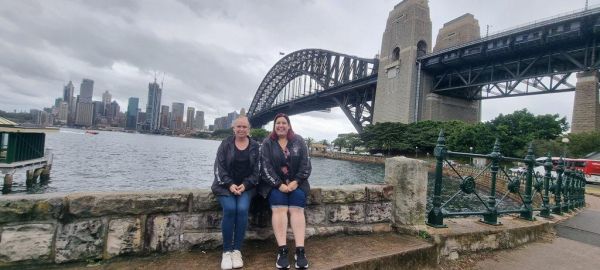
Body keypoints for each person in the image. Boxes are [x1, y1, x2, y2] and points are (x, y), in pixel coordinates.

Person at [259, 113, 311, 269]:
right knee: (279, 209)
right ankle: (282, 250)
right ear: (274, 126)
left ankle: (300, 250)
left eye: (284, 123)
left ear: (289, 125)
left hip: (297, 184)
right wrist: (278, 184)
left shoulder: (299, 141)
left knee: (297, 209)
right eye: (277, 123)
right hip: (274, 185)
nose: (280, 125)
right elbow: (264, 167)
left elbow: (306, 165)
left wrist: (296, 182)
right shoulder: (268, 143)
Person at [212, 116, 260, 270]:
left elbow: (257, 172)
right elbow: (219, 169)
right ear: (233, 128)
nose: (241, 129)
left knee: (242, 209)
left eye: (244, 127)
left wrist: (245, 185)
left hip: (247, 187)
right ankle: (226, 252)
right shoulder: (225, 144)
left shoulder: (255, 146)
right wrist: (230, 184)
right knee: (231, 209)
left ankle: (236, 250)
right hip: (225, 186)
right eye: (238, 126)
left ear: (249, 129)